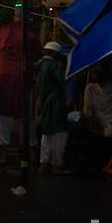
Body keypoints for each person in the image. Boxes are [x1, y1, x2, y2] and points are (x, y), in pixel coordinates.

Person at [0, 3, 42, 166]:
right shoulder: (31, 33)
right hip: (23, 78)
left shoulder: (1, 31)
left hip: (2, 78)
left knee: (2, 116)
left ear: (14, 15)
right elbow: (38, 56)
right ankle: (30, 153)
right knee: (26, 116)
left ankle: (3, 155)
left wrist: (1, 66)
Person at [35, 41, 70, 173]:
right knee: (59, 134)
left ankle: (43, 163)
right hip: (55, 103)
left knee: (47, 133)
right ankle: (56, 164)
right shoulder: (53, 66)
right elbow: (64, 79)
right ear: (55, 53)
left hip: (45, 102)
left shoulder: (40, 66)